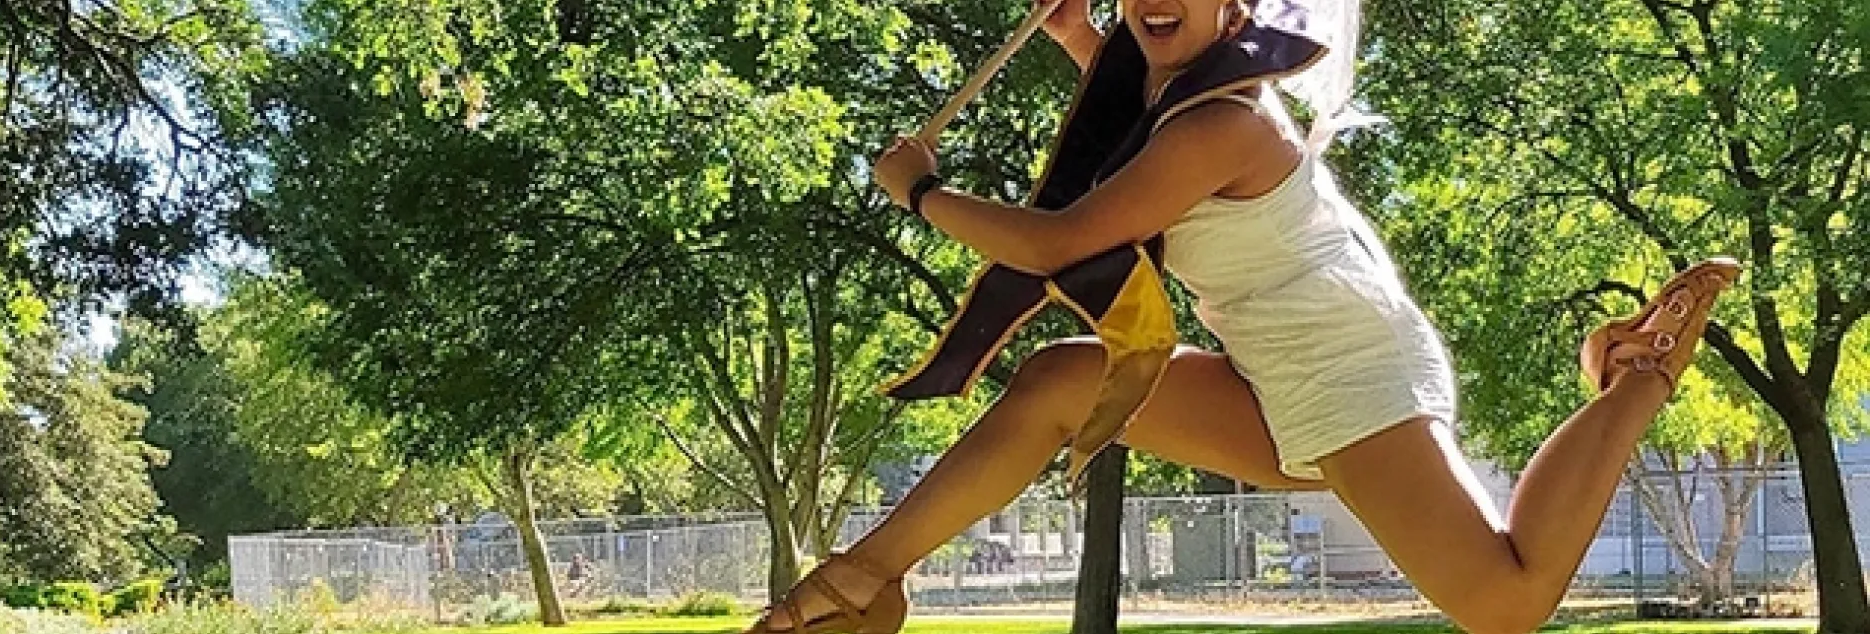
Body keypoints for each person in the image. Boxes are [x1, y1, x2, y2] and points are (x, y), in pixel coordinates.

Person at [742, 0, 1740, 632]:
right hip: (1278, 369)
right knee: (1055, 381)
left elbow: (1059, 243)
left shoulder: (1228, 122)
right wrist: (1075, 39)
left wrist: (920, 190)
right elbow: (1127, 104)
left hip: (1349, 370)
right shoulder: (1174, 90)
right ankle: (868, 579)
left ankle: (1633, 374)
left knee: (1506, 601)